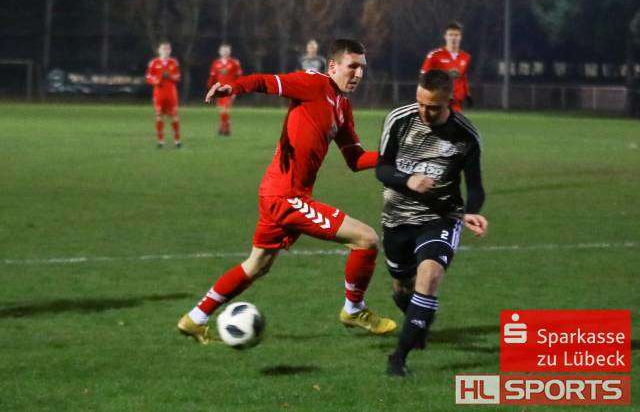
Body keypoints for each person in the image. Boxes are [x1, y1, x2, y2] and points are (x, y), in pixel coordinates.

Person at [177, 39, 397, 344]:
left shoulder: (342, 106)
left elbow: (355, 158)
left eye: (363, 68)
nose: (359, 74)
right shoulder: (312, 83)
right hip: (286, 196)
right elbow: (266, 81)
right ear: (333, 66)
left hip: (278, 193)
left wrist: (394, 156)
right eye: (353, 66)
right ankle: (354, 310)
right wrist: (233, 87)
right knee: (366, 239)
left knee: (257, 265)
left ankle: (195, 318)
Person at [376, 70, 488, 377]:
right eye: (421, 104)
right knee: (402, 287)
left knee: (429, 276)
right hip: (397, 218)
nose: (425, 112)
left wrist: (471, 212)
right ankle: (419, 324)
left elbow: (475, 187)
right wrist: (408, 180)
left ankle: (398, 359)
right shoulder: (399, 120)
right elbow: (382, 169)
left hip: (441, 217)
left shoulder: (465, 135)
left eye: (434, 107)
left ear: (450, 100)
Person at [420, 22, 472, 112]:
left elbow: (463, 77)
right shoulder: (435, 55)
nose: (453, 38)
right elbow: (424, 77)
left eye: (456, 35)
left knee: (456, 121)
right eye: (450, 35)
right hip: (439, 102)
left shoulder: (465, 57)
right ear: (445, 36)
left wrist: (467, 93)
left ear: (460, 37)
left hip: (456, 103)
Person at [145, 41, 182, 148]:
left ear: (170, 50)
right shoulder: (154, 63)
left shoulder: (174, 62)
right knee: (159, 116)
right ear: (159, 50)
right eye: (163, 49)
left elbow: (178, 77)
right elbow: (148, 78)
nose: (165, 51)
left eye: (167, 49)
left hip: (171, 93)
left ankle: (177, 141)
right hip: (159, 93)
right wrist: (157, 80)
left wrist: (170, 76)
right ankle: (160, 141)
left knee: (174, 117)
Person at [207, 44, 243, 136]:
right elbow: (212, 77)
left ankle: (225, 128)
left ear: (230, 52)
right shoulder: (216, 63)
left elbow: (239, 77)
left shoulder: (235, 62)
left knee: (225, 109)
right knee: (221, 110)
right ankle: (224, 127)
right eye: (223, 50)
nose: (225, 52)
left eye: (227, 51)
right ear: (219, 52)